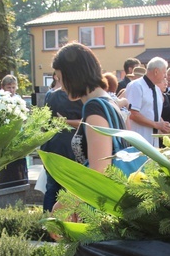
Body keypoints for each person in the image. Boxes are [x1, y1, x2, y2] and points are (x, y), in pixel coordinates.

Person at [52, 42, 128, 173]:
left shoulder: (94, 108)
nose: (61, 87)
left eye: (60, 78)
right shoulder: (108, 102)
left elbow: (99, 172)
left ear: (73, 75)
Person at [40, 78, 83, 210]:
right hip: (71, 146)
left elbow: (44, 122)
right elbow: (85, 122)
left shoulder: (51, 95)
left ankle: (48, 223)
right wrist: (67, 121)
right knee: (70, 188)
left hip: (51, 144)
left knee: (51, 187)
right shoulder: (79, 97)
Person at [126, 57, 170, 147]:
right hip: (139, 141)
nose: (165, 76)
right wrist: (157, 125)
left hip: (153, 143)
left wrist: (163, 125)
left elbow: (154, 113)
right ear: (156, 71)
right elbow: (133, 114)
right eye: (164, 72)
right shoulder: (136, 86)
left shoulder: (157, 90)